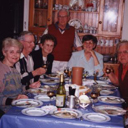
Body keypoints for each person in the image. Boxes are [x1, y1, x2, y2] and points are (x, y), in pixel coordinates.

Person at [0, 38, 40, 113]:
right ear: (4, 53)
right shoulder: (1, 70)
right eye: (11, 52)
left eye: (18, 52)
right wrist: (13, 100)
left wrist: (30, 87)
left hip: (18, 106)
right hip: (6, 112)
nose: (15, 55)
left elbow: (19, 90)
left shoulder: (15, 70)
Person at [43, 8, 83, 73]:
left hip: (67, 62)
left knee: (65, 81)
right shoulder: (50, 28)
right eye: (60, 16)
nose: (62, 19)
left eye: (64, 17)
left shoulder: (72, 30)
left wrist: (79, 61)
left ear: (68, 18)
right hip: (51, 61)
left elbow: (79, 48)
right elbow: (41, 44)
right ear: (57, 18)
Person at [105, 41, 128, 108]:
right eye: (119, 52)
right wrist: (110, 73)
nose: (122, 55)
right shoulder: (121, 66)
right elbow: (118, 82)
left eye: (125, 52)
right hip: (122, 102)